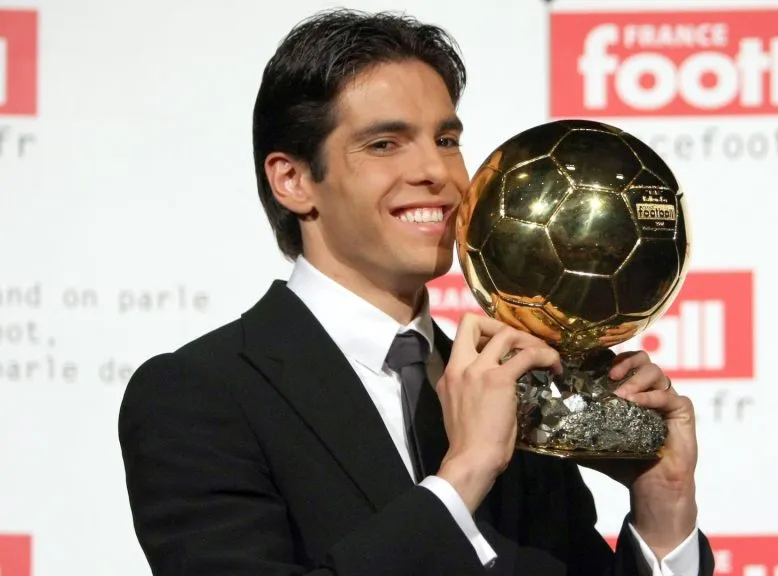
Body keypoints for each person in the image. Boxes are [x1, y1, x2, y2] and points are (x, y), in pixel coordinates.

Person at [118, 8, 715, 576]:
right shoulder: (199, 395)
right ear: (294, 180)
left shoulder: (520, 386)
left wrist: (666, 507)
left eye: (447, 139)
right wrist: (463, 479)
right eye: (385, 144)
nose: (438, 173)